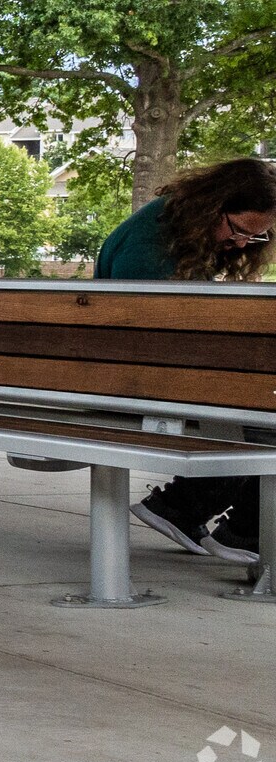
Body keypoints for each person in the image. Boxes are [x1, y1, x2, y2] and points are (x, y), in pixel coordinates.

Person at [107, 157, 276, 564]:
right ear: (212, 205)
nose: (240, 244)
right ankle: (245, 531)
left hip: (144, 369)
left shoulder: (172, 229)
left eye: (257, 238)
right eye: (238, 231)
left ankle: (184, 508)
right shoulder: (151, 248)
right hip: (136, 377)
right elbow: (154, 332)